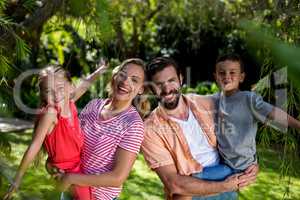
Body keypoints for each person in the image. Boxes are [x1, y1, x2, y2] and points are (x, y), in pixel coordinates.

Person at [141, 57, 258, 200]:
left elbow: (239, 131)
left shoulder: (205, 103)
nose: (167, 89)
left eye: (171, 81)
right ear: (152, 88)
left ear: (181, 79)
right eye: (159, 84)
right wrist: (225, 186)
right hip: (192, 190)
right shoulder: (150, 130)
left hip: (226, 178)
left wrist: (252, 163)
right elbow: (173, 183)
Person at [3, 62, 108, 200]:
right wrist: (17, 179)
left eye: (60, 88)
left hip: (79, 166)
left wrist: (100, 70)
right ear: (42, 94)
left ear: (70, 87)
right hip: (67, 170)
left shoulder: (70, 103)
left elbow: (84, 86)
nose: (56, 95)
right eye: (48, 91)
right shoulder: (51, 113)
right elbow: (34, 146)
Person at [51, 58, 146, 200]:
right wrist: (57, 162)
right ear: (115, 76)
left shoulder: (133, 124)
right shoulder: (93, 105)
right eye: (123, 74)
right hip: (71, 189)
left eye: (134, 80)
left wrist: (72, 178)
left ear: (141, 89)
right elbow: (72, 140)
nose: (126, 81)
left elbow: (117, 177)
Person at [211, 53, 300, 178]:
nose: (226, 76)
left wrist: (297, 125)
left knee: (194, 179)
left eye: (232, 73)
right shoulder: (214, 100)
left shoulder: (248, 99)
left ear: (241, 77)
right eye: (222, 73)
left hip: (241, 167)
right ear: (216, 77)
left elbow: (273, 112)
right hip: (222, 162)